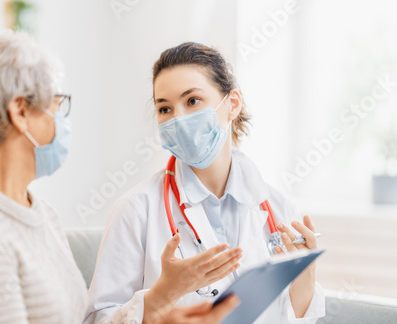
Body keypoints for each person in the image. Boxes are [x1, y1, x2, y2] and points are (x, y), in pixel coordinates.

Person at [0, 32, 239, 324]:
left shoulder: (37, 213)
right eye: (58, 104)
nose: (63, 121)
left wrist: (157, 312)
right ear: (21, 112)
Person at [85, 42, 326, 324]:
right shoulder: (136, 210)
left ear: (232, 104)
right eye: (165, 109)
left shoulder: (279, 208)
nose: (178, 119)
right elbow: (98, 320)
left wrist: (305, 278)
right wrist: (162, 295)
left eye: (192, 101)